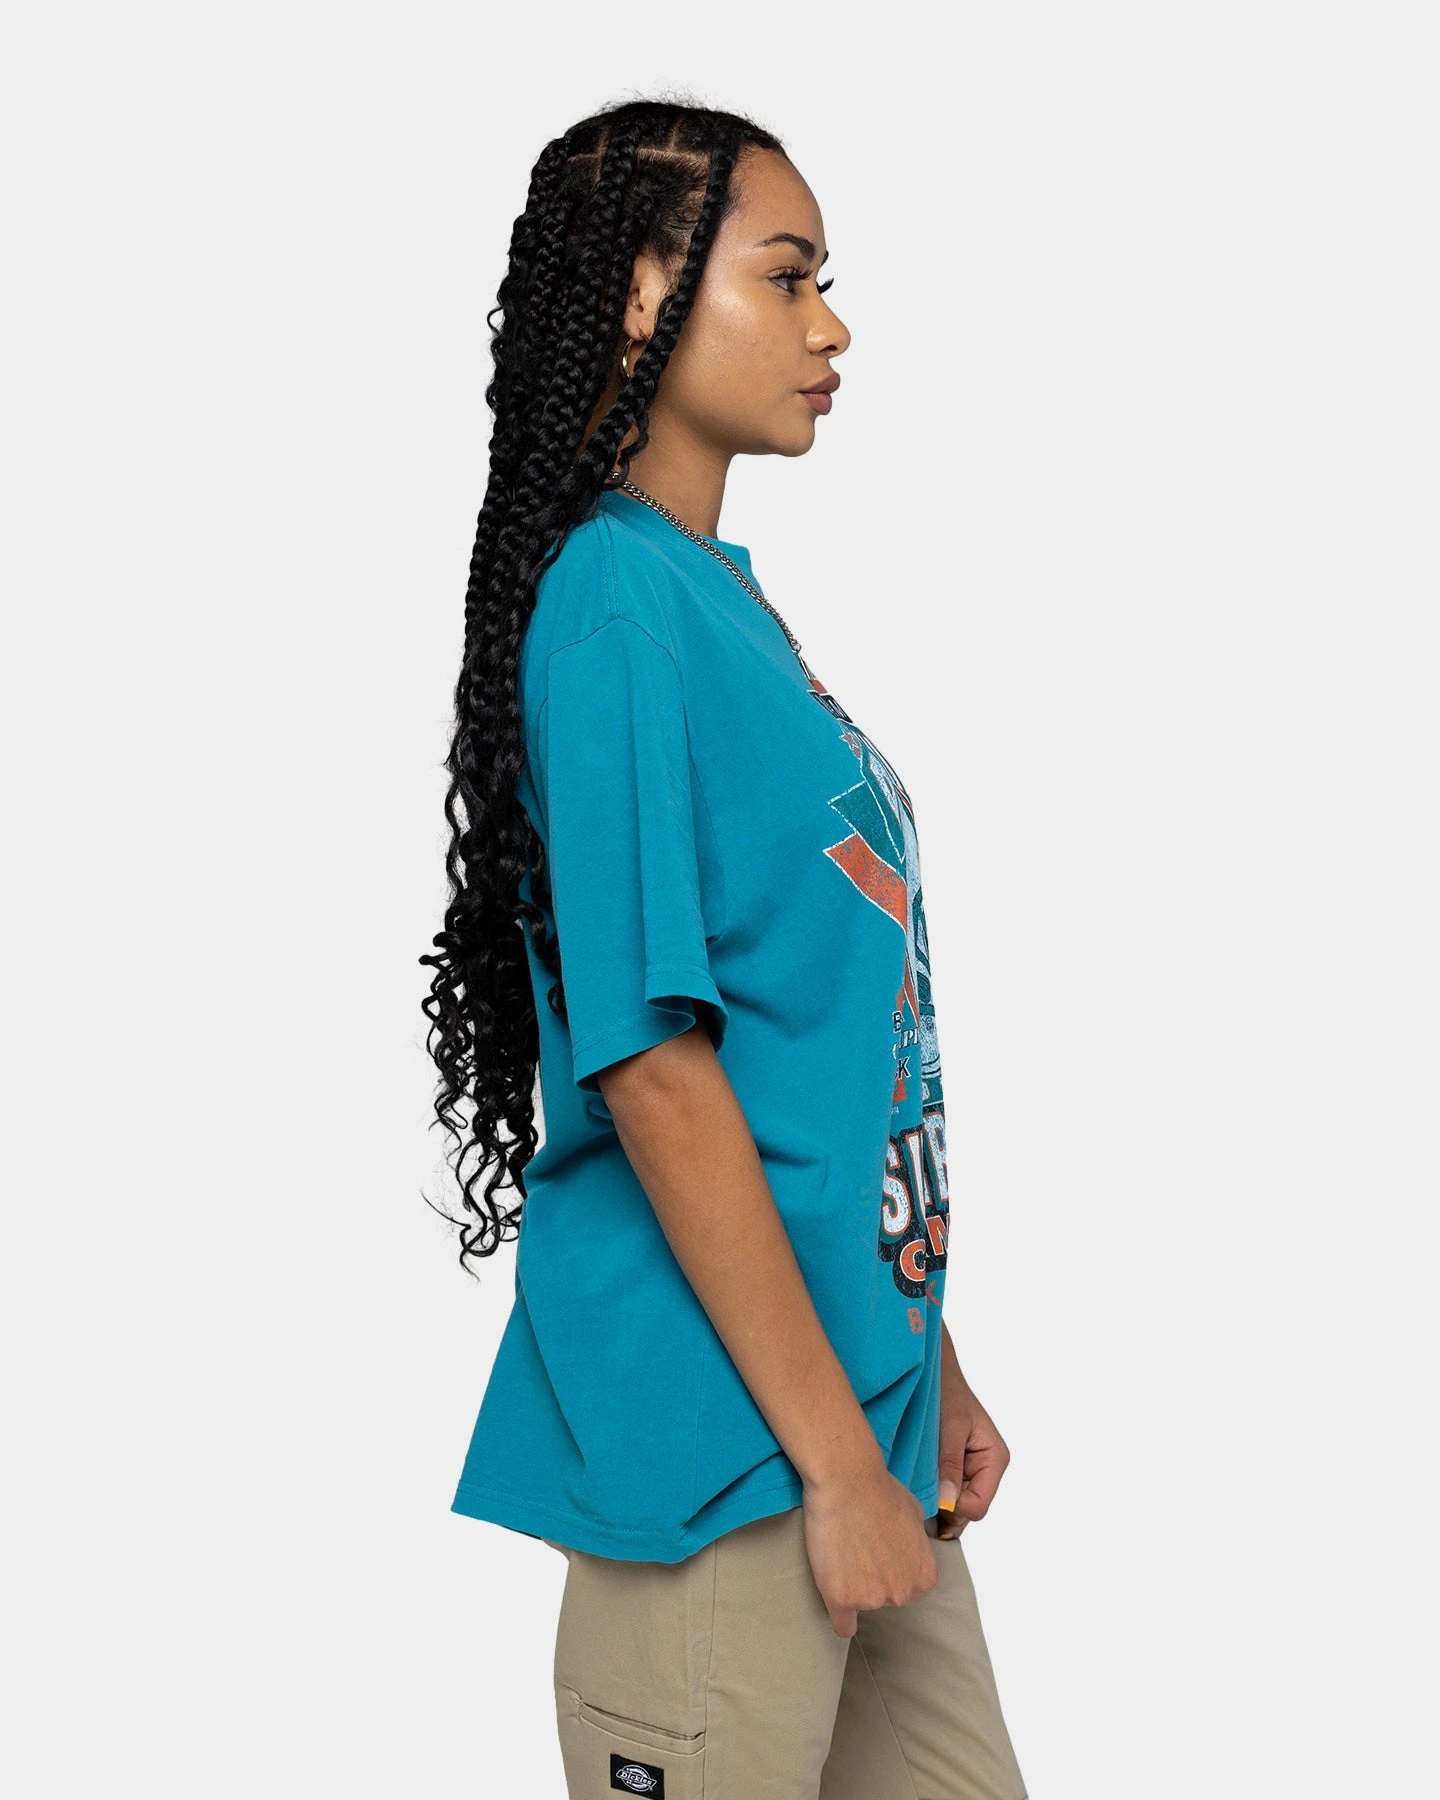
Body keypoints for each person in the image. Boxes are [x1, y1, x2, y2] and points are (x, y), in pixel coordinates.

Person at [421, 96, 1029, 1800]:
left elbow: (808, 1045)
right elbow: (654, 1068)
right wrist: (835, 1467)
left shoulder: (712, 596)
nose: (832, 328)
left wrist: (927, 1359)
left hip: (853, 1412)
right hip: (730, 1462)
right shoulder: (614, 610)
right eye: (788, 275)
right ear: (639, 295)